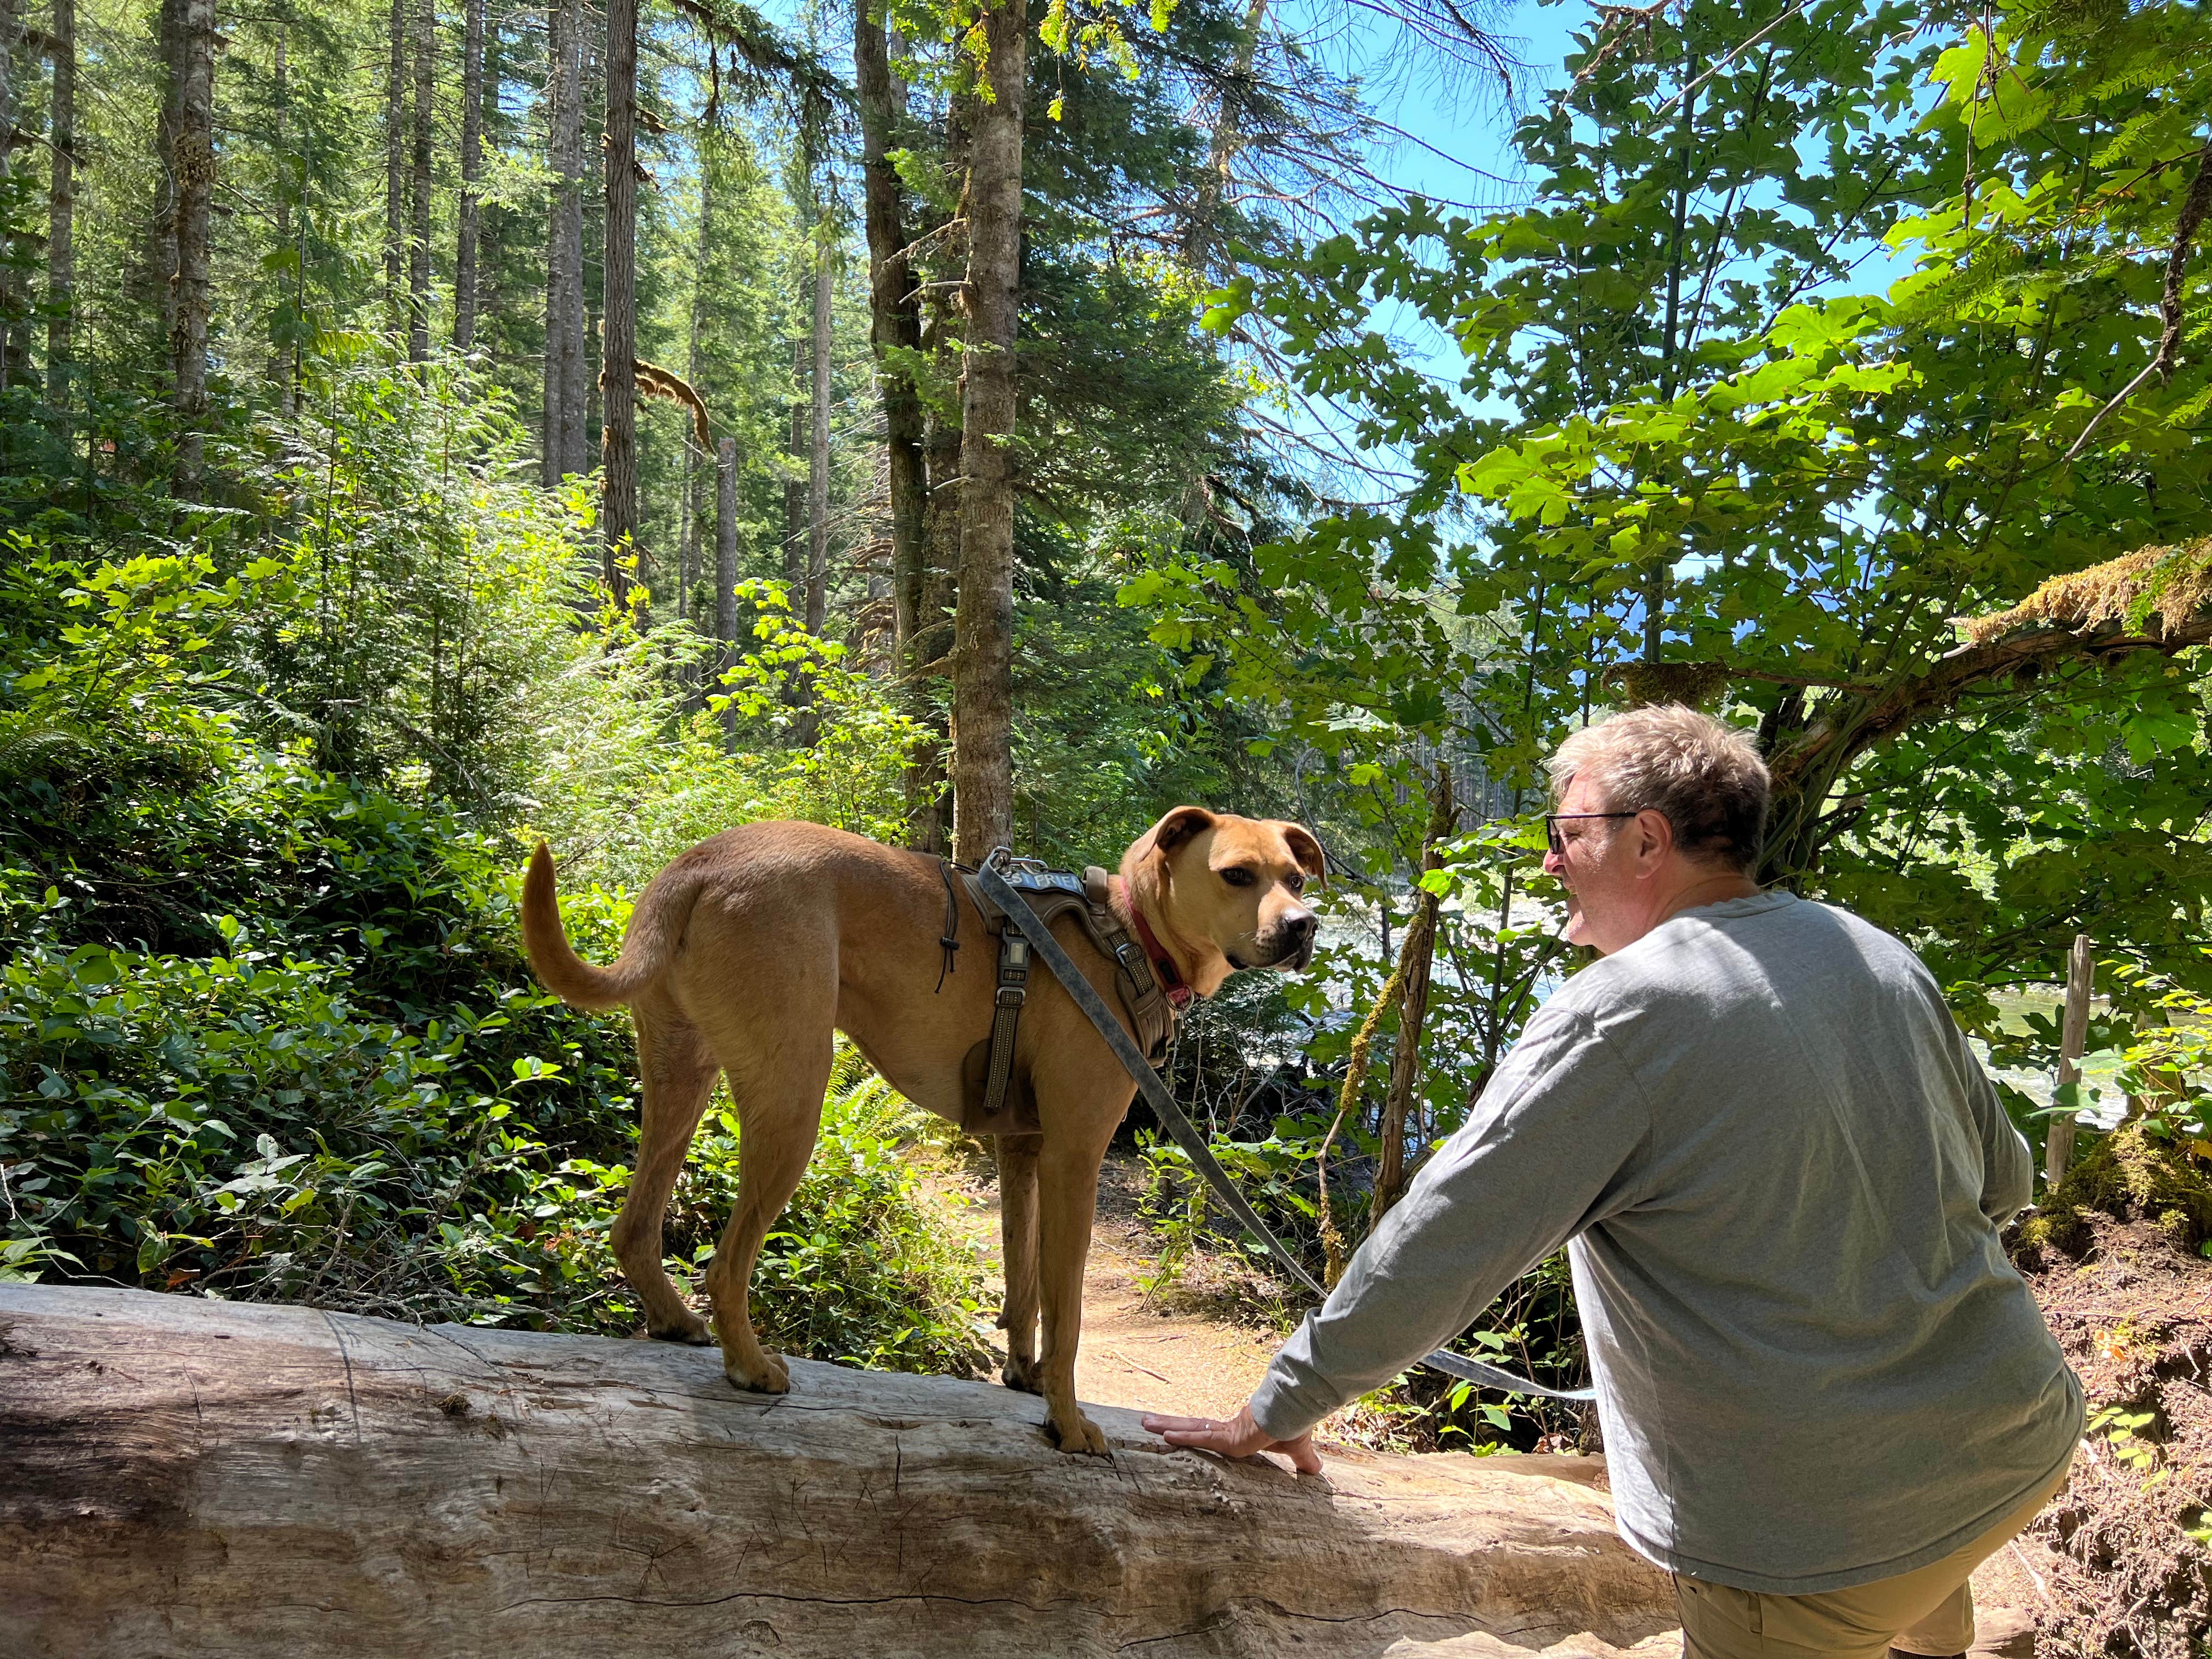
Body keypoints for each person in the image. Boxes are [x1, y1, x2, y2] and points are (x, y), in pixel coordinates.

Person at [1143, 704, 2083, 1659]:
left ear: (1646, 840)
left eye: (1566, 833)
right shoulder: (1869, 950)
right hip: (2014, 1437)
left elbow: (1445, 1241)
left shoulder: (1620, 1014)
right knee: (1925, 1604)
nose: (1549, 861)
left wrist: (1280, 1405)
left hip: (1811, 1540)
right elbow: (2003, 1183)